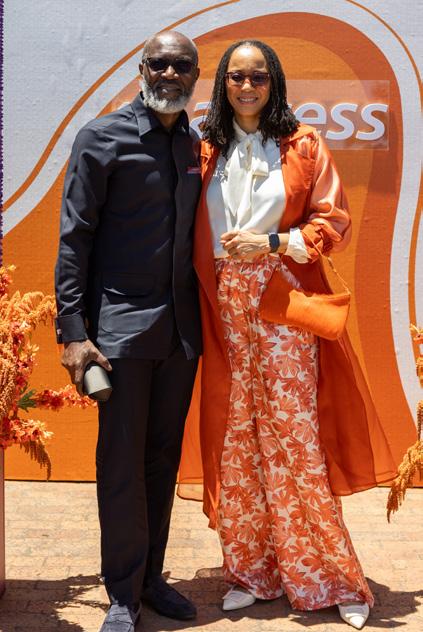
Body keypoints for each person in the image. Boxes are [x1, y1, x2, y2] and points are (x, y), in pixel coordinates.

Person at [191, 40, 397, 630]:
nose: (247, 86)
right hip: (224, 309)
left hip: (281, 299)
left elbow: (333, 220)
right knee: (238, 439)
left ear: (274, 82)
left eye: (258, 76)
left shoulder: (302, 144)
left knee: (295, 438)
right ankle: (251, 573)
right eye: (236, 76)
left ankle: (333, 577)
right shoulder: (205, 149)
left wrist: (273, 241)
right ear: (223, 84)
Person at [55, 31, 202, 632]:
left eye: (181, 65)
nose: (169, 73)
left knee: (161, 459)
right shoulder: (100, 138)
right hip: (118, 330)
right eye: (158, 63)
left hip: (181, 334)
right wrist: (72, 331)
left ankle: (150, 579)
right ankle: (121, 593)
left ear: (195, 75)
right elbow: (75, 236)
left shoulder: (195, 145)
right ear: (142, 69)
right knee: (121, 462)